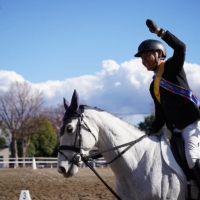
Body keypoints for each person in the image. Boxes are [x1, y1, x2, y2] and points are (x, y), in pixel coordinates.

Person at [134, 19, 200, 189]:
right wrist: (149, 129)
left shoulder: (173, 67)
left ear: (159, 54)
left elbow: (181, 48)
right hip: (172, 131)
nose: (144, 61)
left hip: (191, 124)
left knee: (192, 158)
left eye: (146, 56)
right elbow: (160, 116)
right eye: (141, 58)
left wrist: (159, 32)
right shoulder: (153, 86)